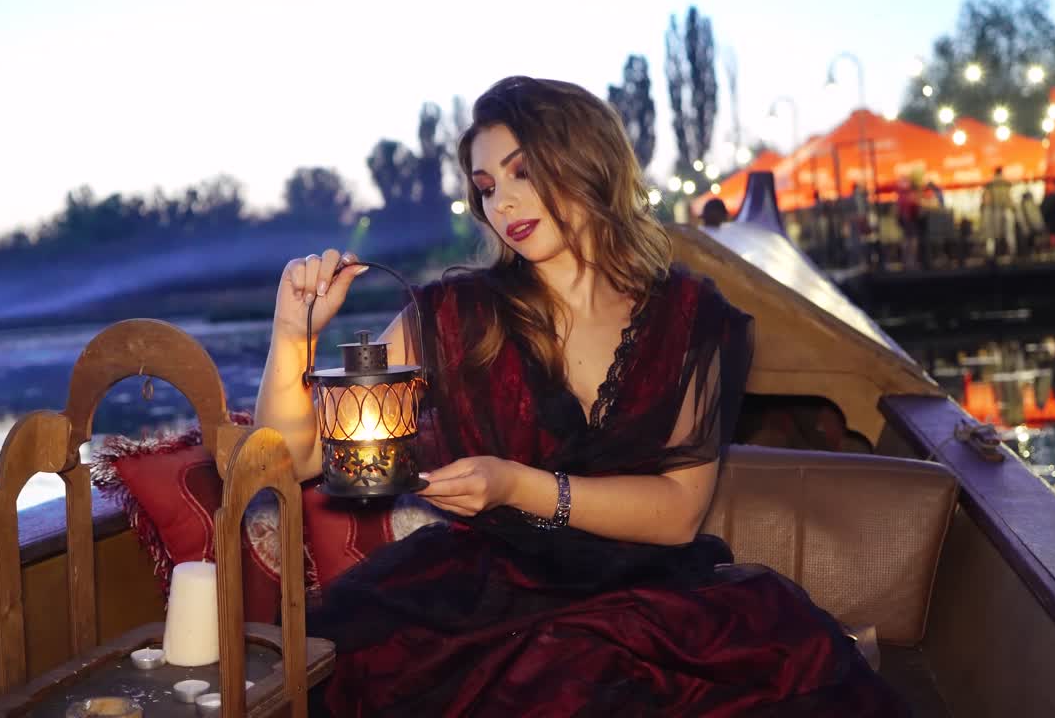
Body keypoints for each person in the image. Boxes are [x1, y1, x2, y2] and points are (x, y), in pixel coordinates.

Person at [256, 76, 905, 716]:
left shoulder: (692, 319)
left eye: (522, 172)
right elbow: (294, 457)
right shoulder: (454, 318)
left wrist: (515, 486)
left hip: (652, 596)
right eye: (487, 188)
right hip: (481, 603)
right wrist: (291, 338)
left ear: (587, 160)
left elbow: (679, 511)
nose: (503, 204)